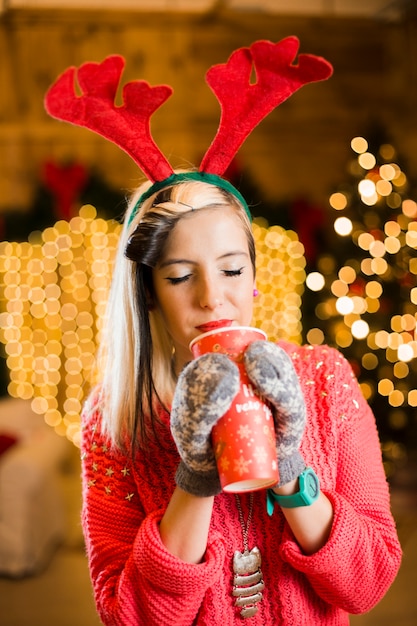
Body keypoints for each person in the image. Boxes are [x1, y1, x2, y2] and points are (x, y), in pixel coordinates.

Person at [44, 38, 402, 626]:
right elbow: (127, 615)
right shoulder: (115, 417)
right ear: (149, 296)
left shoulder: (324, 381)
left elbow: (368, 585)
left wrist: (290, 471)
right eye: (181, 276)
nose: (213, 297)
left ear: (256, 280)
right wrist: (195, 479)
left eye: (233, 269)